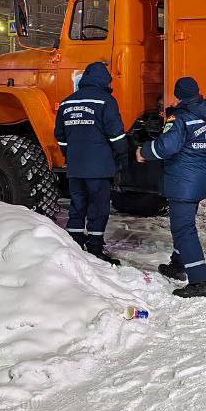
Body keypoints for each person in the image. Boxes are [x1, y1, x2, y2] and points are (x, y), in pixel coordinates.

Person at [137, 75, 206, 299]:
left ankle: (199, 281)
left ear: (179, 94)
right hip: (199, 179)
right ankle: (178, 264)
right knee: (184, 226)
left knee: (184, 230)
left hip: (183, 181)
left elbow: (167, 146)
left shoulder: (180, 117)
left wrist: (144, 151)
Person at [54, 61, 128, 264]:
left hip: (75, 168)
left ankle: (75, 243)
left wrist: (70, 154)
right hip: (99, 168)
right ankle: (95, 247)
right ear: (105, 80)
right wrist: (123, 157)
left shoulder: (67, 102)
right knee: (98, 206)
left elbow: (59, 135)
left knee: (77, 204)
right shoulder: (106, 101)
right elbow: (116, 135)